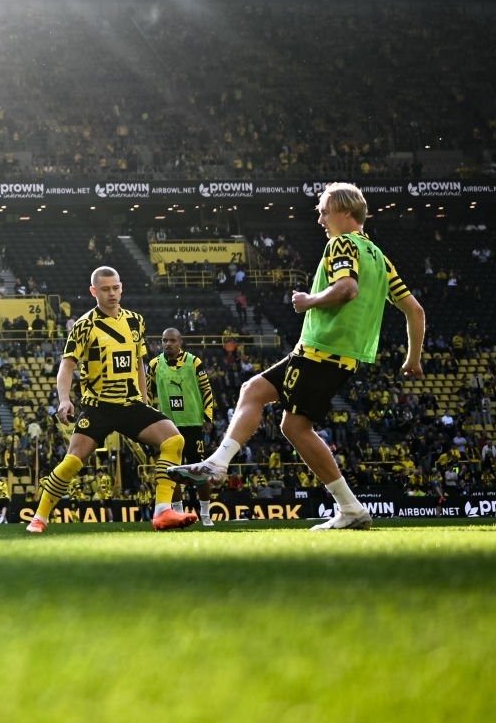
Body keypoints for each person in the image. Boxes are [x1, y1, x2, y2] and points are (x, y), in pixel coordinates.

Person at [169, 182, 426, 530]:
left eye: (324, 211)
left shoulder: (342, 243)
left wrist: (308, 301)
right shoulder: (379, 258)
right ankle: (218, 463)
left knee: (294, 426)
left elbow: (347, 288)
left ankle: (349, 508)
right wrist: (413, 359)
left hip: (322, 351)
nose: (320, 219)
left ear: (345, 211)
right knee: (254, 391)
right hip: (336, 355)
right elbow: (415, 310)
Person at [27, 267, 197, 534]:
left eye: (115, 287)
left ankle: (163, 511)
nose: (112, 293)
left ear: (122, 287)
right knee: (73, 460)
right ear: (93, 291)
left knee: (174, 440)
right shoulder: (84, 325)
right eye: (105, 289)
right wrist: (64, 400)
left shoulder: (135, 321)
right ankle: (39, 518)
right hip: (99, 407)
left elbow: (139, 363)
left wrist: (144, 400)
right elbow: (67, 365)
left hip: (130, 405)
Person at [150, 327, 219, 524]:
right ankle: (178, 513)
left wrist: (208, 417)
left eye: (172, 340)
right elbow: (147, 393)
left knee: (200, 472)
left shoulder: (194, 362)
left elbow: (206, 389)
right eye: (164, 340)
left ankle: (205, 515)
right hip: (168, 427)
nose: (167, 344)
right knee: (171, 471)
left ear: (180, 342)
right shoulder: (154, 365)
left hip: (192, 424)